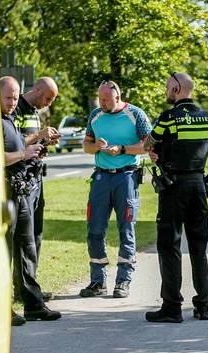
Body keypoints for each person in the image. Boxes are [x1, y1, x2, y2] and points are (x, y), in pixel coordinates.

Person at [144, 72, 208, 323]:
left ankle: (172, 306)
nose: (166, 92)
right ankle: (203, 304)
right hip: (199, 186)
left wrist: (157, 151)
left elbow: (149, 142)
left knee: (169, 245)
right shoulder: (205, 117)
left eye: (167, 88)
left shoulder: (169, 117)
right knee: (198, 246)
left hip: (175, 187)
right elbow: (190, 145)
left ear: (175, 88)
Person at [81, 80, 151, 298]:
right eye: (100, 99)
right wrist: (97, 147)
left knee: (126, 231)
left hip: (127, 177)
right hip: (101, 178)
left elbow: (149, 145)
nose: (101, 103)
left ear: (117, 98)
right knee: (94, 231)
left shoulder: (136, 114)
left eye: (106, 100)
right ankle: (97, 281)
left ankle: (123, 281)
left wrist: (122, 149)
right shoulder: (95, 115)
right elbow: (86, 145)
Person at [0, 76, 61, 324]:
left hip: (21, 189)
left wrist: (36, 141)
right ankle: (3, 308)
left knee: (27, 247)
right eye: (8, 98)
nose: (13, 102)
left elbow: (20, 143)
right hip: (5, 192)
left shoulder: (10, 119)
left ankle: (34, 305)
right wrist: (23, 154)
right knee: (5, 251)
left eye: (15, 98)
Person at [14, 77, 60, 302]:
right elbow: (15, 141)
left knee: (36, 235)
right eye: (48, 98)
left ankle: (32, 285)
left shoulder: (34, 111)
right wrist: (40, 134)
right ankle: (23, 289)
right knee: (25, 239)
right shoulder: (16, 108)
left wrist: (44, 145)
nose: (48, 104)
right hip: (23, 180)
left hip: (36, 177)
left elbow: (31, 143)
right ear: (38, 90)